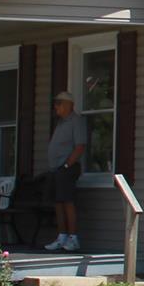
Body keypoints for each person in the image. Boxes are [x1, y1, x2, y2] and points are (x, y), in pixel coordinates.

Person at [46, 91, 90, 252]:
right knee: (58, 202)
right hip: (56, 169)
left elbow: (80, 146)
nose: (56, 106)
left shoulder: (76, 121)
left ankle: (73, 238)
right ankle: (62, 236)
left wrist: (66, 165)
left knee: (67, 202)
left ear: (68, 105)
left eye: (59, 103)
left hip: (67, 169)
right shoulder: (61, 122)